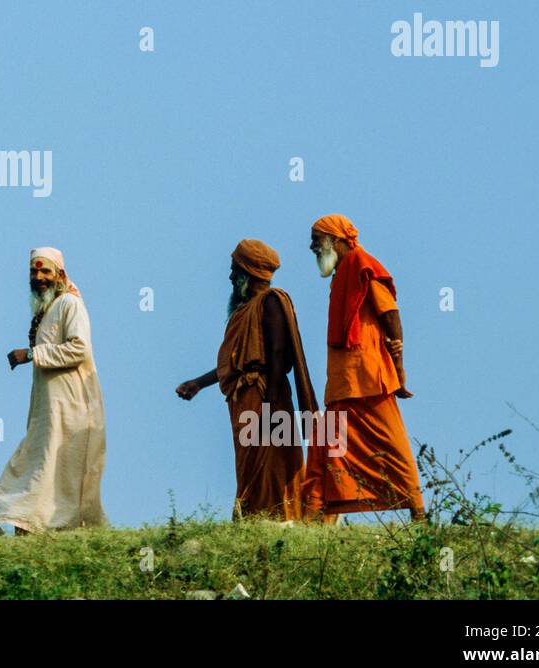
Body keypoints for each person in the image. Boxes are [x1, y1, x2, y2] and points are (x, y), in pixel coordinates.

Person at [175, 240, 319, 521]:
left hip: (267, 395)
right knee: (250, 463)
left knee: (274, 459)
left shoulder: (272, 301)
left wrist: (272, 405)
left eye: (233, 270)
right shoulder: (243, 312)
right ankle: (254, 517)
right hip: (245, 399)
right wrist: (198, 383)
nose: (230, 277)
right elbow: (234, 362)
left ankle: (284, 518)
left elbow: (277, 353)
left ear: (247, 272)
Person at [303, 214, 425, 521]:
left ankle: (418, 510)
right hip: (344, 382)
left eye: (317, 240)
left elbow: (390, 313)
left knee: (393, 448)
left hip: (371, 378)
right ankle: (318, 516)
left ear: (335, 240)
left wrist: (398, 363)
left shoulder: (363, 265)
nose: (312, 247)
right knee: (326, 444)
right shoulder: (343, 272)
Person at [0, 247, 108, 535]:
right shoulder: (47, 310)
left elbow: (80, 348)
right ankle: (26, 520)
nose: (39, 277)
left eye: (45, 271)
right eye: (34, 272)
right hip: (48, 405)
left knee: (54, 464)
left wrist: (30, 355)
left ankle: (30, 521)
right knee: (40, 459)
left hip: (72, 402)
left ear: (60, 275)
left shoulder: (69, 305)